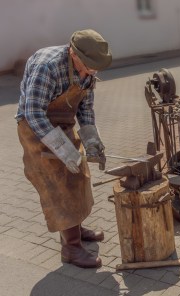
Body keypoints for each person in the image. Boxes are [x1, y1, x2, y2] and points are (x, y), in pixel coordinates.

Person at [15, 29, 112, 268]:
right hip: (35, 127)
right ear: (73, 53)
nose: (90, 73)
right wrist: (60, 147)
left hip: (63, 123)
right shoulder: (47, 67)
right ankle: (71, 248)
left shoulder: (88, 71)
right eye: (87, 66)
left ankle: (75, 228)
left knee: (78, 176)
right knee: (58, 184)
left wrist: (91, 139)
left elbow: (85, 109)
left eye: (94, 68)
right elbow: (33, 112)